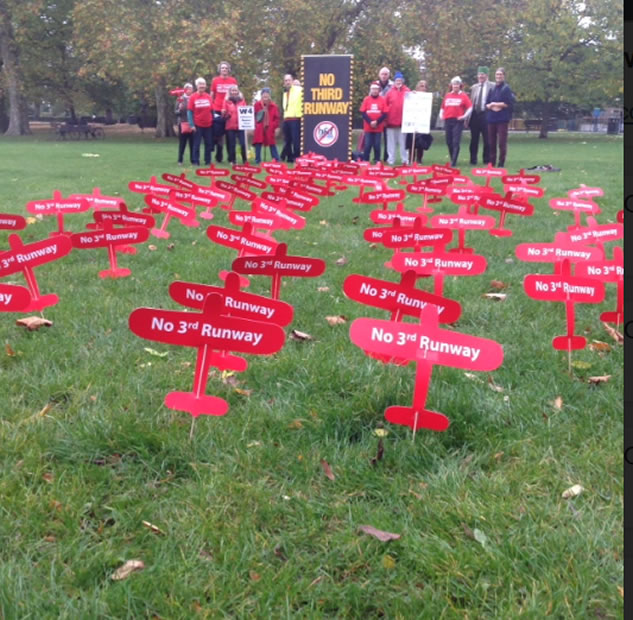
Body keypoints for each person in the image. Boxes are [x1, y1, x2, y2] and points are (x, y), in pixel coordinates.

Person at [439, 76, 472, 167]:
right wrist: (441, 115)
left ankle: (454, 161)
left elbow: (470, 107)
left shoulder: (463, 95)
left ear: (460, 85)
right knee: (448, 141)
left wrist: (464, 116)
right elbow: (442, 107)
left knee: (455, 141)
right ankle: (452, 157)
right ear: (451, 85)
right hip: (448, 120)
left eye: (457, 84)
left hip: (457, 121)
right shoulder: (448, 95)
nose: (455, 86)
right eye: (454, 84)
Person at [486, 67, 515, 168]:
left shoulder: (506, 88)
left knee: (502, 142)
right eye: (497, 74)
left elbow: (509, 103)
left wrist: (496, 104)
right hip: (491, 118)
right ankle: (492, 161)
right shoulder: (492, 88)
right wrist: (490, 106)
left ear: (504, 76)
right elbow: (487, 103)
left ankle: (501, 162)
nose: (498, 76)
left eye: (500, 75)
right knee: (491, 141)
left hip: (502, 118)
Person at [211, 61, 238, 163]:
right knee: (218, 134)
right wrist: (211, 107)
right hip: (217, 109)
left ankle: (231, 157)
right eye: (222, 68)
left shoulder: (233, 80)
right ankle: (219, 156)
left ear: (229, 70)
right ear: (220, 70)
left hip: (229, 110)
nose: (224, 70)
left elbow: (236, 94)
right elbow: (212, 95)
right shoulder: (215, 80)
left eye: (226, 68)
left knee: (230, 134)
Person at [467, 67, 494, 165]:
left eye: (483, 74)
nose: (481, 76)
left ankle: (486, 160)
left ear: (487, 75)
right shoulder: (474, 87)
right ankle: (473, 160)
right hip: (475, 115)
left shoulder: (492, 86)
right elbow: (470, 102)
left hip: (486, 114)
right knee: (474, 139)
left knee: (487, 139)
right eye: (479, 74)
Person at [405, 80, 434, 164]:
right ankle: (411, 159)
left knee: (421, 142)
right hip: (412, 120)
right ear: (417, 87)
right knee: (411, 141)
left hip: (422, 121)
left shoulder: (427, 97)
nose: (423, 87)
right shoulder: (412, 94)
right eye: (421, 85)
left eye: (424, 86)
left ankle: (419, 160)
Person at [187, 77, 214, 166]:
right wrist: (191, 124)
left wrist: (214, 120)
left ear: (205, 86)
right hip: (197, 124)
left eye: (203, 84)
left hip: (208, 125)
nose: (202, 86)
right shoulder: (193, 97)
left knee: (209, 144)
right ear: (197, 86)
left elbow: (212, 110)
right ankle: (195, 161)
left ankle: (208, 161)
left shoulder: (209, 97)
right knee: (196, 144)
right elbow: (189, 112)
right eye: (200, 84)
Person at [385, 71, 410, 165]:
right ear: (394, 81)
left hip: (403, 123)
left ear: (402, 81)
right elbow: (385, 105)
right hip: (391, 122)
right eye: (397, 80)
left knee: (404, 143)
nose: (398, 82)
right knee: (391, 143)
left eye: (400, 80)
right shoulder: (389, 92)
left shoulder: (407, 91)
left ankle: (405, 160)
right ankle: (391, 160)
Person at [360, 81, 389, 163]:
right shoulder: (366, 99)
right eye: (373, 89)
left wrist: (377, 122)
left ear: (379, 90)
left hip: (378, 127)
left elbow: (385, 113)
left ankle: (377, 159)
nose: (375, 91)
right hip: (368, 127)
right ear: (371, 90)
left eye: (376, 89)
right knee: (367, 144)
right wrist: (370, 122)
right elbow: (363, 112)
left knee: (377, 145)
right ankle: (366, 160)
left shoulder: (382, 100)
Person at [222, 85, 248, 164]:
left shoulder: (242, 100)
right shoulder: (226, 101)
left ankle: (244, 159)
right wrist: (224, 113)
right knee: (231, 144)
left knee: (243, 143)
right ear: (230, 92)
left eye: (235, 90)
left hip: (241, 125)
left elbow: (246, 111)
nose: (234, 92)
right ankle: (232, 160)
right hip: (230, 125)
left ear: (238, 91)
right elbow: (223, 114)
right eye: (232, 91)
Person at [253, 87, 280, 163]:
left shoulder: (274, 106)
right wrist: (256, 125)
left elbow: (277, 118)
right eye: (264, 95)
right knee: (258, 142)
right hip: (259, 127)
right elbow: (254, 116)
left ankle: (276, 159)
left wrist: (274, 125)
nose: (265, 96)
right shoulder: (257, 105)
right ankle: (257, 159)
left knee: (272, 143)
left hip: (270, 127)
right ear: (261, 95)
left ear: (269, 95)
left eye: (267, 95)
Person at [281, 74, 303, 163]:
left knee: (296, 140)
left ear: (292, 81)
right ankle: (289, 157)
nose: (287, 82)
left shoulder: (299, 90)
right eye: (285, 80)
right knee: (287, 140)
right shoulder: (285, 93)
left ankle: (297, 157)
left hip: (295, 118)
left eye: (289, 80)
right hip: (286, 119)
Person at [175, 82, 194, 166]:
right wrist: (179, 109)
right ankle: (180, 160)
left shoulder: (194, 98)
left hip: (193, 124)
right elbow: (175, 112)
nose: (190, 90)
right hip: (182, 123)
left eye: (191, 89)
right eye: (188, 89)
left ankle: (193, 160)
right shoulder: (180, 99)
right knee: (182, 143)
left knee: (192, 143)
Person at [377, 67, 393, 162]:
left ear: (388, 75)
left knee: (388, 138)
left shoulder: (393, 85)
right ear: (379, 75)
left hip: (389, 115)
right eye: (382, 74)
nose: (384, 76)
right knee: (377, 139)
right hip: (377, 115)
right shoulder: (375, 85)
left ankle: (387, 157)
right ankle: (377, 158)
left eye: (386, 74)